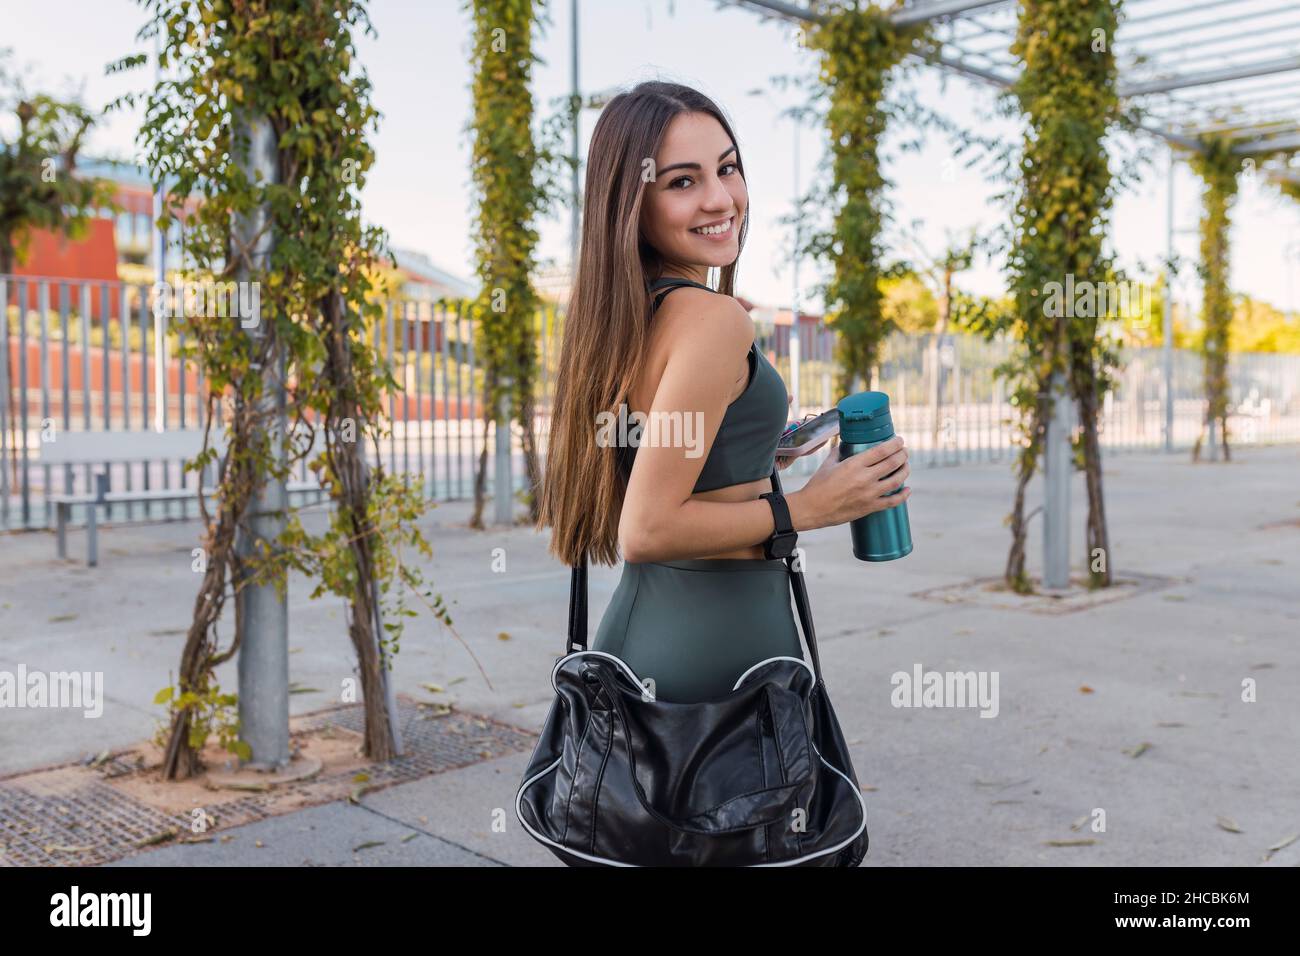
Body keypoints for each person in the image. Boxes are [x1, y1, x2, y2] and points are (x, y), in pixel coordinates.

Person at [536, 80, 911, 704]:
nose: (720, 198)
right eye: (683, 181)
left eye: (728, 168)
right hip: (713, 660)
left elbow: (670, 454)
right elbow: (647, 528)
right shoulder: (714, 318)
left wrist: (767, 449)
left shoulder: (629, 316)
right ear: (633, 203)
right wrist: (814, 507)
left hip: (655, 641)